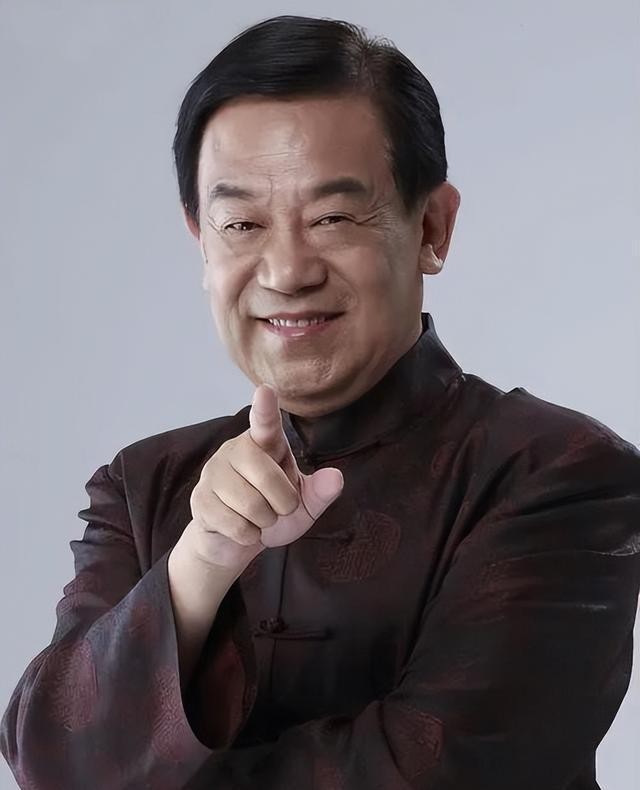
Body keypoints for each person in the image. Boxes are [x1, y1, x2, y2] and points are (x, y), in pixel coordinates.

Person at [2, 14, 639, 790]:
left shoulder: (559, 474)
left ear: (431, 227)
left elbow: (436, 775)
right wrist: (201, 563)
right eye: (242, 224)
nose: (286, 271)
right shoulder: (145, 486)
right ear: (201, 241)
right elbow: (49, 761)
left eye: (333, 218)